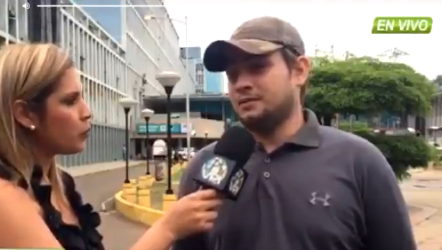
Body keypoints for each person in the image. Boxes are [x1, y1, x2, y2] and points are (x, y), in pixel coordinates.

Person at [0, 44, 222, 250]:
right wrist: (168, 227)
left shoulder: (59, 184)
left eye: (83, 99)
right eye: (69, 101)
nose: (87, 112)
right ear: (26, 114)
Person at [173, 16, 416, 250]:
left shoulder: (360, 162)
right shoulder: (205, 167)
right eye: (233, 75)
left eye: (257, 67)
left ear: (299, 71)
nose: (241, 83)